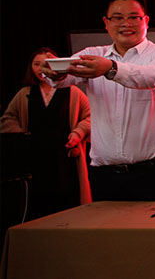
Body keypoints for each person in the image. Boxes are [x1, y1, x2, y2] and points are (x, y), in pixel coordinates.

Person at [41, 0, 155, 201]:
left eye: (133, 17)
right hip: (106, 176)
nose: (126, 24)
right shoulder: (93, 54)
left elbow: (150, 77)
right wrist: (55, 73)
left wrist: (111, 68)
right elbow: (64, 76)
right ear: (106, 23)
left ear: (146, 21)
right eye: (117, 18)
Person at [1, 48, 91, 219]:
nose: (41, 68)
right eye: (36, 64)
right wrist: (22, 135)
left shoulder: (72, 92)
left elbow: (90, 117)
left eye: (48, 64)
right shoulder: (26, 93)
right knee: (38, 202)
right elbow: (8, 118)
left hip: (65, 154)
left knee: (68, 201)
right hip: (35, 155)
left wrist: (78, 132)